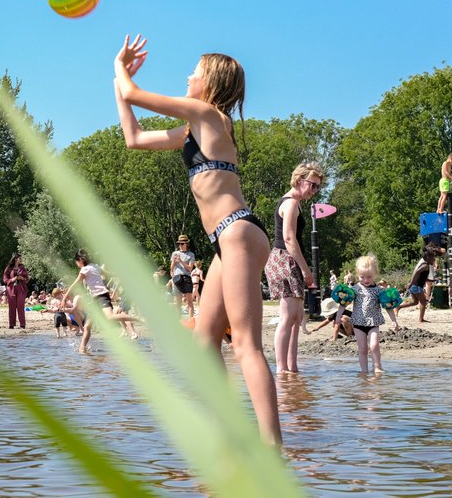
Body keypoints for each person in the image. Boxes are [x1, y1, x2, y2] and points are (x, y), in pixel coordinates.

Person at [113, 33, 282, 445]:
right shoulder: (194, 129)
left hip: (238, 231)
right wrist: (116, 85)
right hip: (226, 240)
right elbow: (133, 138)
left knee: (245, 345)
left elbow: (134, 92)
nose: (187, 76)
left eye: (194, 71)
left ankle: (273, 447)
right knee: (206, 341)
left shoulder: (207, 114)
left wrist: (119, 68)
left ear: (210, 83)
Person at [266, 162, 325, 375]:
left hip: (287, 259)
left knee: (296, 317)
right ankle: (282, 370)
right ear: (300, 180)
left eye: (318, 187)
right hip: (284, 259)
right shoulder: (290, 203)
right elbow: (289, 239)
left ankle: (292, 368)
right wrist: (307, 270)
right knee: (288, 316)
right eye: (313, 185)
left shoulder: (296, 203)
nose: (314, 190)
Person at [332, 255, 398, 375]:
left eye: (369, 277)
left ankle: (377, 366)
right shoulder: (355, 289)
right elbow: (343, 303)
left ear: (375, 274)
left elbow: (388, 306)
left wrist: (394, 320)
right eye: (362, 277)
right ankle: (364, 371)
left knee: (374, 346)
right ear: (357, 275)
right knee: (362, 349)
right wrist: (337, 317)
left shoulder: (379, 290)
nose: (366, 280)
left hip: (373, 322)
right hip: (358, 323)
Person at [396, 248, 438, 323]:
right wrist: (411, 283)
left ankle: (399, 307)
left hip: (415, 286)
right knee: (423, 301)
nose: (434, 260)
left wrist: (433, 280)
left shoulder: (426, 266)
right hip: (416, 287)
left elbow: (423, 278)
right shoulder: (425, 265)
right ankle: (421, 319)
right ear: (428, 258)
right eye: (433, 258)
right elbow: (416, 272)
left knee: (415, 302)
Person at [170, 235, 197, 319]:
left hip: (186, 279)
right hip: (177, 279)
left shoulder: (191, 254)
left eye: (182, 243)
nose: (180, 245)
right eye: (179, 244)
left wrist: (181, 261)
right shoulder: (175, 253)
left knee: (190, 302)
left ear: (186, 244)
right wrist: (174, 262)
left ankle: (191, 321)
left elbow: (190, 269)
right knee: (178, 304)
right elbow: (171, 268)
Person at [3, 253, 30, 329]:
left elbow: (27, 279)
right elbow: (5, 279)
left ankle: (22, 324)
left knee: (20, 306)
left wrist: (22, 278)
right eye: (19, 258)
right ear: (15, 259)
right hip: (11, 289)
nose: (21, 260)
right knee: (12, 307)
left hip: (21, 288)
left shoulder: (23, 268)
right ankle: (11, 324)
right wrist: (12, 279)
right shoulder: (8, 268)